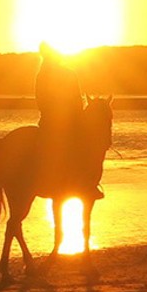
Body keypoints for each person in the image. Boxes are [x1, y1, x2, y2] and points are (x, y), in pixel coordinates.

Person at [34, 41, 85, 189]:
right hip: (62, 121)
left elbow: (40, 100)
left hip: (49, 120)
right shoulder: (68, 74)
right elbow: (77, 100)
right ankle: (85, 182)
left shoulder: (42, 75)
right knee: (82, 144)